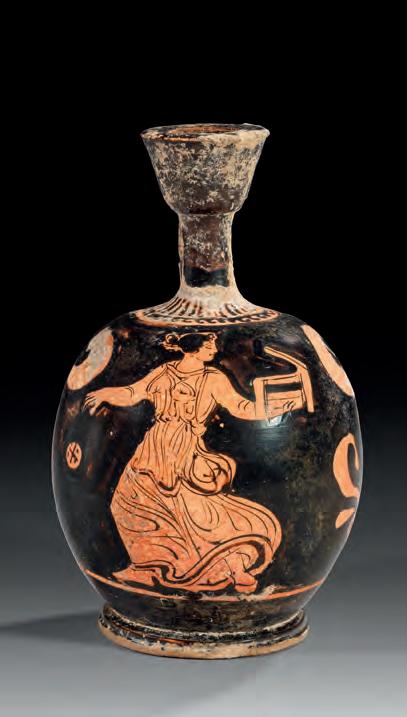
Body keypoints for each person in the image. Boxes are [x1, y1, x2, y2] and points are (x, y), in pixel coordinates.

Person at [84, 332, 292, 594]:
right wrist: (106, 393)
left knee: (198, 511)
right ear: (193, 348)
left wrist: (275, 408)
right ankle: (149, 568)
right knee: (128, 501)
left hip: (185, 450)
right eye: (209, 345)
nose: (214, 350)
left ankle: (235, 568)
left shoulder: (213, 378)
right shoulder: (165, 372)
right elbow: (133, 392)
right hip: (155, 448)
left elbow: (241, 407)